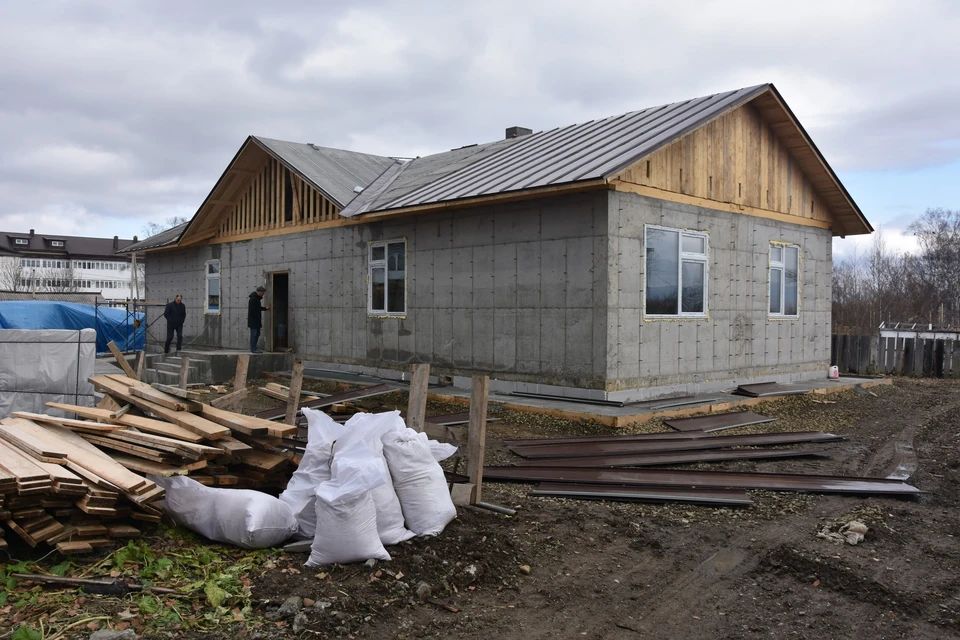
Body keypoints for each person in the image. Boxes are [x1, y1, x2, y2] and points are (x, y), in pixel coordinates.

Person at [248, 286, 269, 353]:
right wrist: (256, 317)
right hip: (254, 321)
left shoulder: (256, 299)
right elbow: (253, 310)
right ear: (259, 292)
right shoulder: (253, 299)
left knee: (257, 334)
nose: (263, 294)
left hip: (256, 320)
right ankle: (253, 349)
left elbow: (258, 308)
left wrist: (265, 308)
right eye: (263, 292)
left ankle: (254, 348)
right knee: (254, 334)